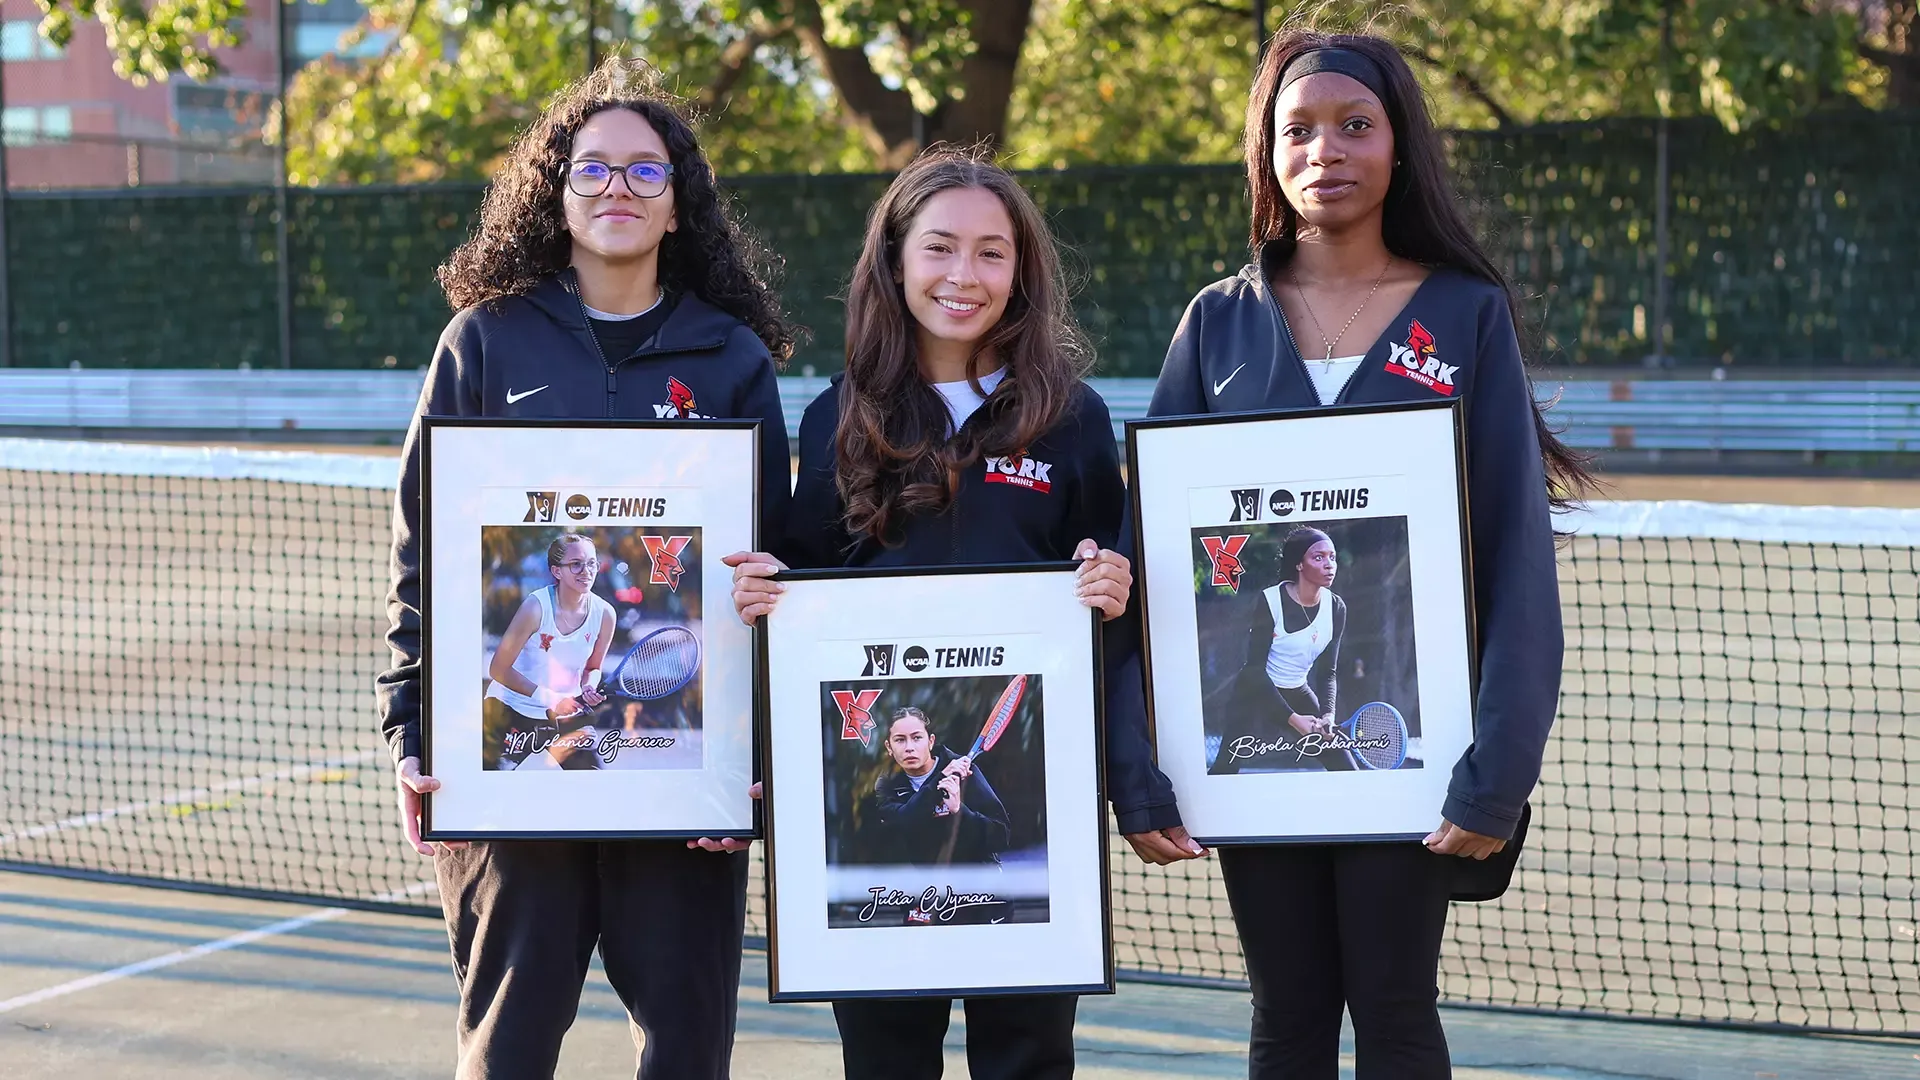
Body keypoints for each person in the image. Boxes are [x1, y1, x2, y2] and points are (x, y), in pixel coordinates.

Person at [1147, 28, 1592, 1080]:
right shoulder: (1217, 323)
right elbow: (1157, 558)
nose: (1325, 151)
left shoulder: (1466, 314)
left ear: (1400, 146)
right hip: (1252, 770)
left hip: (1412, 767)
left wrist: (1498, 775)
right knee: (1286, 1015)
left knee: (1395, 1010)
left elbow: (1517, 563)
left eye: (1356, 125)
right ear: (1266, 152)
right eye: (1297, 130)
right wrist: (1142, 767)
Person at [375, 58, 796, 1079]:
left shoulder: (732, 357)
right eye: (593, 168)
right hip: (512, 796)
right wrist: (409, 732)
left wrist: (754, 760)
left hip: (681, 799)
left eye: (646, 172)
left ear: (677, 202)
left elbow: (777, 574)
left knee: (688, 1056)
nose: (619, 188)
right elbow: (424, 557)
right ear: (554, 191)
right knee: (507, 1054)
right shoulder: (482, 343)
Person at [725, 145, 1169, 1080]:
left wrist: (1110, 583)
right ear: (894, 260)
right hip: (870, 834)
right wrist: (769, 586)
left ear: (1021, 271)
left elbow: (1119, 599)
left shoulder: (1074, 417)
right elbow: (804, 584)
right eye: (938, 247)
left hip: (1042, 795)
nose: (964, 275)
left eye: (991, 252)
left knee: (1028, 1058)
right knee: (886, 1059)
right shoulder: (837, 416)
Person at [1215, 526, 1350, 774]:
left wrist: (1327, 715)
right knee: (1224, 771)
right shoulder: (1270, 600)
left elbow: (1328, 672)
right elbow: (1254, 669)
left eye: (1332, 557)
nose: (1329, 565)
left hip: (1297, 690)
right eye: (1318, 557)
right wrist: (1295, 720)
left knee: (1347, 770)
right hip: (1254, 691)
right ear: (1299, 564)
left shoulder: (1336, 607)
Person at [481, 533, 616, 771]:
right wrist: (552, 699)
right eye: (576, 564)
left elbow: (593, 668)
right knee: (494, 785)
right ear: (556, 571)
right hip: (511, 708)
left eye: (592, 563)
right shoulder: (535, 607)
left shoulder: (605, 614)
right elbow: (498, 669)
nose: (586, 571)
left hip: (566, 713)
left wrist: (588, 687)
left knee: (593, 783)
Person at [860, 706, 1011, 867]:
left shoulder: (966, 772)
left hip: (974, 879)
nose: (909, 747)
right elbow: (902, 825)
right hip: (923, 882)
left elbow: (1001, 837)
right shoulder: (886, 785)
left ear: (930, 741)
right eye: (900, 740)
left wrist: (960, 812)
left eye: (917, 738)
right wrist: (939, 780)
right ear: (889, 747)